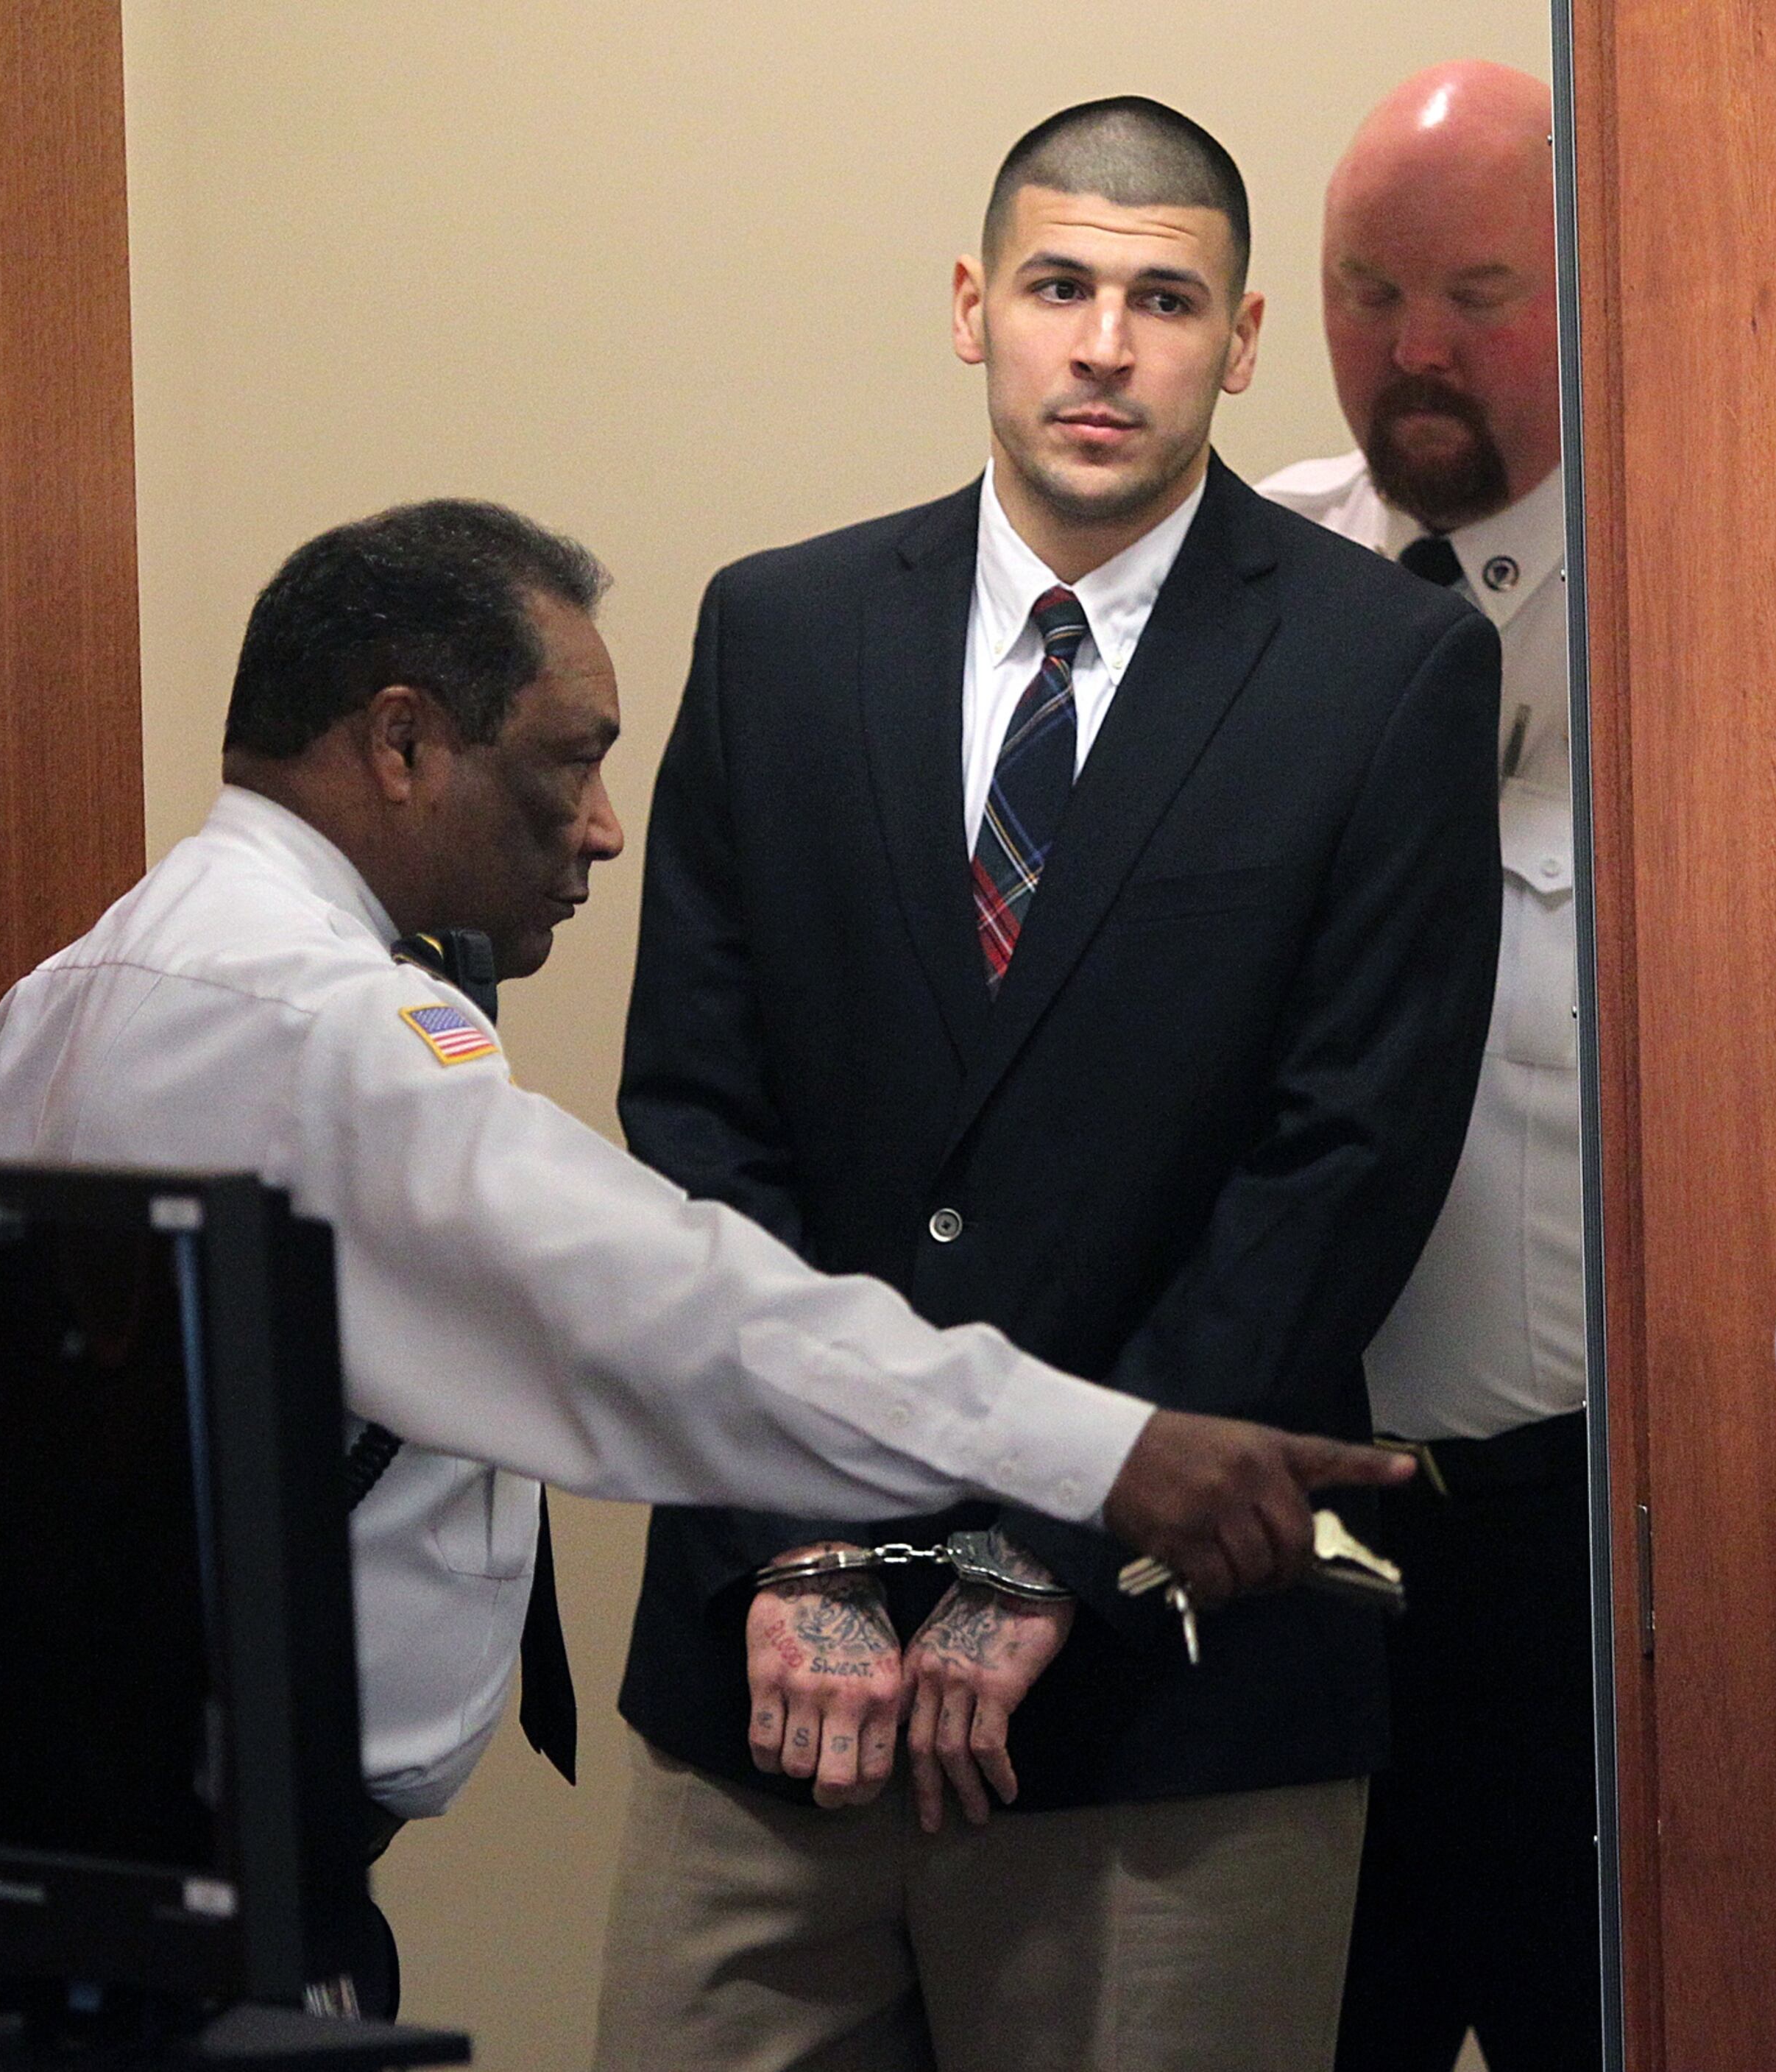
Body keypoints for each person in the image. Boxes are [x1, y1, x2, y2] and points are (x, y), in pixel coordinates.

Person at [0, 498, 1414, 2017]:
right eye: (567, 759)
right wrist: (1106, 1452)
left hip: (108, 1870)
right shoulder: (323, 1034)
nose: (603, 824)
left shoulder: (76, 988)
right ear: (401, 744)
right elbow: (676, 1313)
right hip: (222, 1919)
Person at [587, 94, 1504, 2072]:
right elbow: (698, 1126)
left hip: (1172, 1691)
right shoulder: (777, 632)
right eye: (1058, 287)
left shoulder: (1385, 671)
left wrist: (1051, 1543)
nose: (1103, 346)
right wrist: (804, 1540)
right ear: (970, 307)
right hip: (776, 1657)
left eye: (1163, 302)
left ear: (1240, 344)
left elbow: (1340, 1170)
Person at [1259, 61, 1599, 2072]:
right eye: (1367, 294)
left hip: (1583, 1543)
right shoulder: (1232, 599)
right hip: (1275, 1518)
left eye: (1481, 294)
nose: (1415, 354)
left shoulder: (1702, 624)